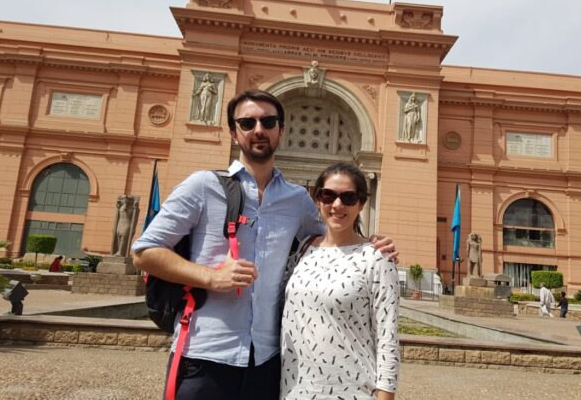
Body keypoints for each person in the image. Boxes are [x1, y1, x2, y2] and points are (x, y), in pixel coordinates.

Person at [131, 90, 397, 400]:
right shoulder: (202, 186)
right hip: (204, 354)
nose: (259, 129)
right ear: (234, 131)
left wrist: (371, 246)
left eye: (268, 121)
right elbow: (144, 252)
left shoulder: (297, 200)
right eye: (247, 122)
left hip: (266, 364)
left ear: (281, 130)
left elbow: (334, 235)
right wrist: (211, 277)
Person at [281, 163, 400, 400]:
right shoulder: (302, 250)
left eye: (348, 197)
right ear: (317, 200)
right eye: (328, 195)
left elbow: (388, 338)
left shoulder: (377, 258)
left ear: (362, 204)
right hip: (294, 390)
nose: (337, 205)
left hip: (351, 391)